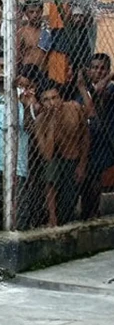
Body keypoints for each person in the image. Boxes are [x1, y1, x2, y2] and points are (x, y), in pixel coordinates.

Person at [0, 56, 31, 228]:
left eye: (3, 66)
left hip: (16, 162)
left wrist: (26, 104)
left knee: (18, 209)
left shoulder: (22, 97)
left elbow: (29, 125)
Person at [34, 81, 89, 226]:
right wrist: (52, 124)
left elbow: (85, 136)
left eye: (55, 98)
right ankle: (52, 217)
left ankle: (66, 217)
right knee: (50, 174)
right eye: (46, 100)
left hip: (73, 158)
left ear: (61, 98)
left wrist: (82, 164)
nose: (52, 103)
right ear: (41, 103)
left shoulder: (74, 108)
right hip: (54, 159)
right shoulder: (40, 121)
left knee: (69, 201)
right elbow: (47, 155)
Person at [79, 54, 114, 220]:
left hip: (103, 140)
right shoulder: (80, 89)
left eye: (102, 69)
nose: (98, 72)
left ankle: (93, 212)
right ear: (88, 70)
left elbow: (98, 96)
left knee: (95, 177)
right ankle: (87, 212)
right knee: (85, 179)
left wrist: (108, 79)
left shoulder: (110, 89)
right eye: (94, 68)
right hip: (83, 140)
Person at [17, 0, 51, 70]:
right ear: (26, 13)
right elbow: (18, 56)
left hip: (43, 71)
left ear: (42, 12)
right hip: (27, 71)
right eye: (31, 12)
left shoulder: (47, 31)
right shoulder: (22, 32)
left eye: (37, 12)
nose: (35, 15)